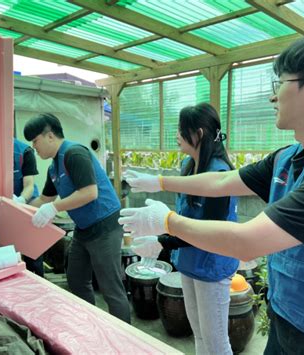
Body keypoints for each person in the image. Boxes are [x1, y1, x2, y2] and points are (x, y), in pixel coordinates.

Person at [119, 34, 304, 354]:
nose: (272, 98)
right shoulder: (288, 158)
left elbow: (249, 241)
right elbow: (222, 183)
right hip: (286, 318)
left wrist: (167, 222)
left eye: (280, 84)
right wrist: (162, 183)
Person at [132, 102, 239, 354]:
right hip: (190, 262)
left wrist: (163, 241)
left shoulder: (219, 174)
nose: (177, 136)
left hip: (212, 265)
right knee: (199, 335)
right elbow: (183, 217)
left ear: (198, 133)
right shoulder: (188, 166)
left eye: (181, 130)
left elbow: (208, 232)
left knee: (216, 342)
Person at [23, 113, 130, 324]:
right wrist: (19, 205)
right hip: (84, 228)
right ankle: (91, 325)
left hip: (105, 225)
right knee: (77, 280)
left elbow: (90, 192)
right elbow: (45, 198)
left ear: (50, 136)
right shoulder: (54, 167)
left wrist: (53, 207)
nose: (34, 148)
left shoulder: (74, 154)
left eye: (35, 141)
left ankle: (126, 341)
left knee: (111, 288)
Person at [0, 138, 44, 276]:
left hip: (24, 203)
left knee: (32, 250)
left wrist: (21, 200)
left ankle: (37, 279)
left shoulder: (25, 151)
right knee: (2, 247)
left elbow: (29, 185)